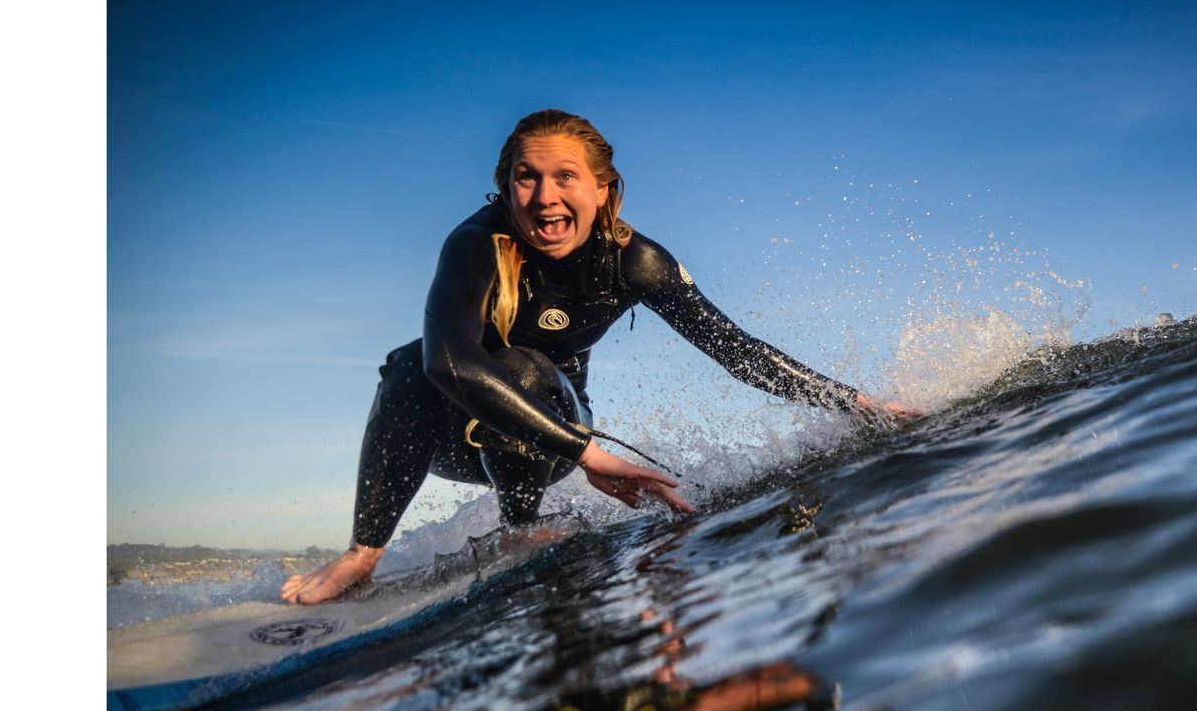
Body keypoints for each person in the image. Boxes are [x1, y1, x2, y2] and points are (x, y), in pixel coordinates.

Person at [282, 109, 919, 604]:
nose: (544, 196)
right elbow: (448, 362)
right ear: (505, 186)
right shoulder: (476, 243)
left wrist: (855, 403)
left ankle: (521, 523)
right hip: (473, 441)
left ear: (603, 189)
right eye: (526, 177)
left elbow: (734, 349)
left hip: (551, 434)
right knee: (408, 363)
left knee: (524, 365)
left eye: (565, 177)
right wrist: (591, 456)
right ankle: (363, 555)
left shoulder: (634, 261)